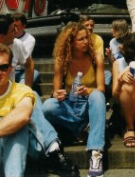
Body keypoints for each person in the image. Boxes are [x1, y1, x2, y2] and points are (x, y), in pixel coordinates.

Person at [0, 14, 79, 177]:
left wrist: (25, 89)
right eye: (13, 30)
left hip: (12, 102)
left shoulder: (16, 44)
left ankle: (53, 150)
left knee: (30, 97)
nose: (18, 32)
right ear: (1, 36)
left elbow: (28, 63)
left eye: (4, 67)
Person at [42, 22, 106, 177]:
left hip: (89, 104)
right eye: (81, 39)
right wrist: (59, 94)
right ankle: (82, 129)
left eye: (86, 38)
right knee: (47, 106)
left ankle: (96, 153)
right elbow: (55, 91)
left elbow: (101, 89)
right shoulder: (62, 60)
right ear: (70, 42)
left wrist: (88, 91)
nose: (86, 41)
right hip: (70, 104)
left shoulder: (96, 57)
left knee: (97, 95)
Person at [0, 43, 35, 177]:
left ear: (10, 70)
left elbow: (22, 116)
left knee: (17, 126)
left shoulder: (22, 91)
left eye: (3, 67)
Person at [13, 12, 41, 93]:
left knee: (35, 73)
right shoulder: (7, 36)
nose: (14, 28)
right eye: (12, 26)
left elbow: (24, 59)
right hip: (9, 70)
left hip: (23, 70)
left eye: (16, 26)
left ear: (23, 26)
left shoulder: (30, 39)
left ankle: (20, 91)